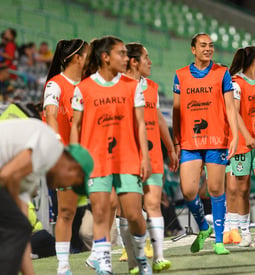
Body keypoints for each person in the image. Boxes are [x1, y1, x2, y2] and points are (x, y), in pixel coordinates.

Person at [70, 36, 152, 275]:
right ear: (105, 57)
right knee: (102, 212)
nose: (126, 59)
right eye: (121, 54)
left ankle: (139, 258)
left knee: (135, 215)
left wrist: (144, 157)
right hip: (96, 162)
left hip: (127, 159)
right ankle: (104, 266)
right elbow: (75, 126)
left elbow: (140, 125)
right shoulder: (83, 88)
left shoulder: (132, 86)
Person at [172, 33, 238, 255]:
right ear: (193, 49)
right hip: (190, 140)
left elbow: (230, 107)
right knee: (189, 190)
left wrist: (235, 136)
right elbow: (177, 110)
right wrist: (176, 139)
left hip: (217, 138)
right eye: (203, 45)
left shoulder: (222, 73)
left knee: (215, 188)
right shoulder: (180, 75)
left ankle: (219, 241)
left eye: (211, 45)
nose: (208, 49)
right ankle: (203, 226)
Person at [0, 118, 93, 275]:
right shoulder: (50, 146)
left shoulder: (34, 171)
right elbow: (7, 176)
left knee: (20, 228)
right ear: (73, 168)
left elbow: (23, 235)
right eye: (73, 183)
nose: (63, 188)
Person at [121, 42, 178, 273]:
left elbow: (159, 119)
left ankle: (158, 258)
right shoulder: (119, 87)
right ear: (134, 62)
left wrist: (171, 148)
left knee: (153, 204)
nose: (150, 62)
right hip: (128, 155)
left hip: (153, 154)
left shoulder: (152, 87)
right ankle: (134, 259)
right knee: (130, 212)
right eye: (146, 58)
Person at [40, 38, 89, 275]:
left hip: (93, 155)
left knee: (109, 205)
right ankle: (63, 265)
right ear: (78, 57)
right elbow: (50, 115)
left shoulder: (90, 84)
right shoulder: (55, 85)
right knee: (66, 213)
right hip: (66, 158)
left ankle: (102, 256)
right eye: (88, 54)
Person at [227, 46, 255, 247]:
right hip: (243, 143)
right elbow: (234, 113)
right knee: (242, 189)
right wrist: (246, 136)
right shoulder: (236, 83)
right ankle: (244, 232)